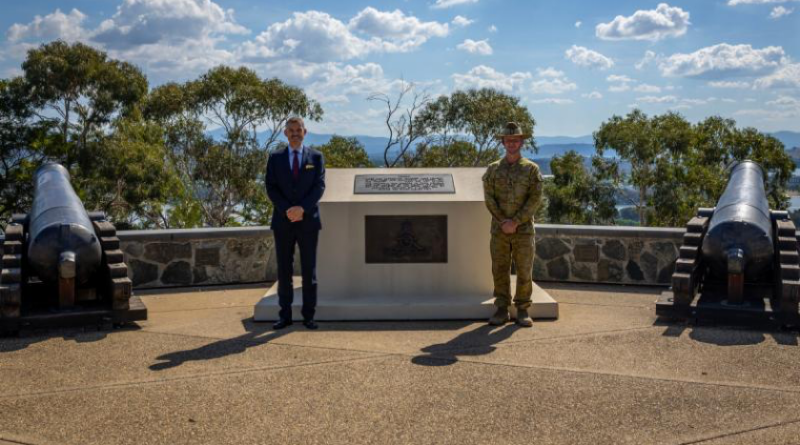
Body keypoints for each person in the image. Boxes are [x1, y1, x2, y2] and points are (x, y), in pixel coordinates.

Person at [266, 117, 326, 330]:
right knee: (284, 270)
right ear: (285, 133)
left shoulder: (316, 157)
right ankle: (285, 316)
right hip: (283, 222)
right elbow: (271, 187)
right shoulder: (275, 158)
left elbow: (319, 186)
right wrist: (287, 210)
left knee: (309, 271)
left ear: (305, 132)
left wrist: (302, 209)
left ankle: (308, 316)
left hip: (308, 222)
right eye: (291, 130)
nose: (294, 133)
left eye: (298, 129)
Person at [482, 122, 543, 327]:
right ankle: (501, 308)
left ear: (521, 142)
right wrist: (503, 222)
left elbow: (535, 199)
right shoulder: (493, 170)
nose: (512, 143)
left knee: (524, 270)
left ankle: (523, 309)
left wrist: (515, 222)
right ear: (503, 142)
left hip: (524, 230)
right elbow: (489, 199)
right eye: (508, 140)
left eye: (515, 140)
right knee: (499, 269)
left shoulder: (531, 170)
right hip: (499, 230)